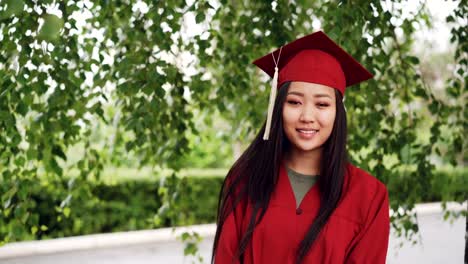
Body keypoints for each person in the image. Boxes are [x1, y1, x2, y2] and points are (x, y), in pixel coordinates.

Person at [211, 30, 390, 264]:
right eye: (294, 102)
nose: (307, 116)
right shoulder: (246, 181)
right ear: (278, 107)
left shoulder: (369, 196)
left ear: (338, 113)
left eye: (322, 104)